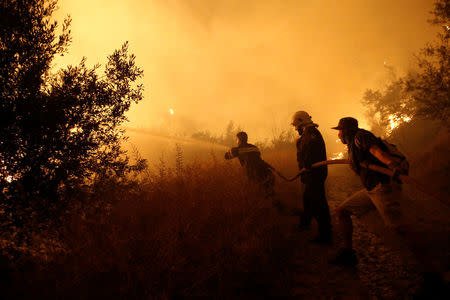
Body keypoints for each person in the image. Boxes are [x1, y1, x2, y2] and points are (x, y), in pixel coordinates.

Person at [329, 117, 448, 298]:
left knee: (400, 229)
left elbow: (376, 151)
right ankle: (348, 253)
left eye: (340, 131)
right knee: (342, 211)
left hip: (383, 188)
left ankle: (433, 276)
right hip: (371, 190)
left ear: (347, 130)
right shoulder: (353, 144)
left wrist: (392, 164)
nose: (338, 134)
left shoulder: (361, 136)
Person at [291, 111, 332, 244]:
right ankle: (304, 225)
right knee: (308, 200)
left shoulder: (311, 134)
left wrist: (306, 166)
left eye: (295, 125)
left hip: (314, 175)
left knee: (319, 205)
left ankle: (325, 236)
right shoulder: (307, 135)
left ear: (300, 121)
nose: (295, 128)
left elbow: (311, 154)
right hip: (309, 175)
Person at [225, 131, 275, 198]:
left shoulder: (237, 150)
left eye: (236, 139)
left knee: (257, 194)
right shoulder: (254, 147)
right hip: (265, 172)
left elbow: (226, 157)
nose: (236, 141)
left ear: (239, 140)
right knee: (268, 193)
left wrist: (230, 151)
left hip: (254, 175)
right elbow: (259, 159)